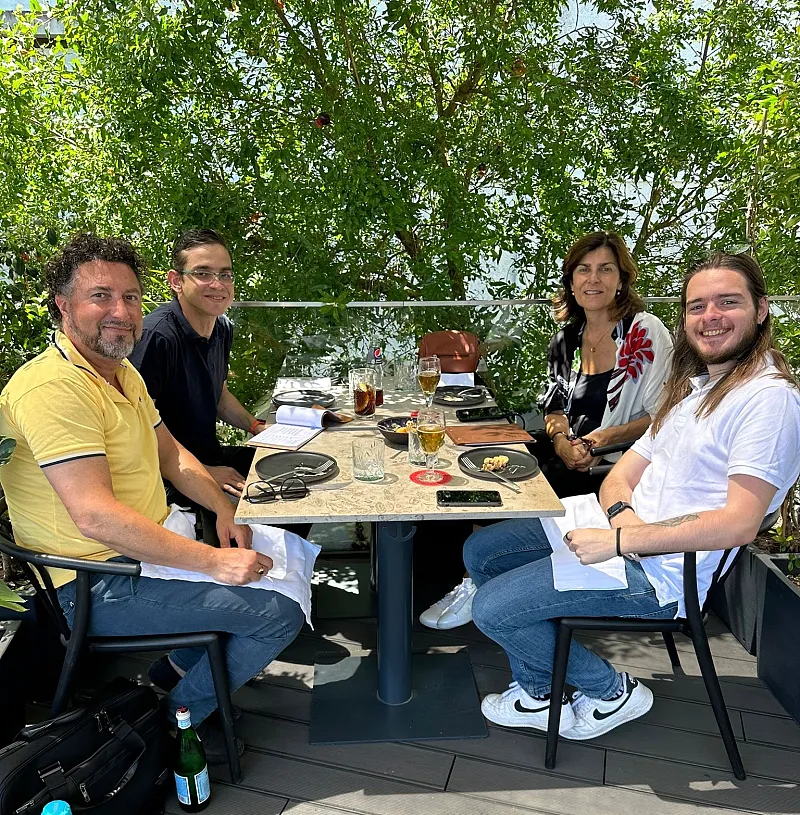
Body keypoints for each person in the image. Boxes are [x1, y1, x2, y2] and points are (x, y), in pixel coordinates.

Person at [462, 252, 800, 740]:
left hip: (662, 573)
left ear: (762, 309)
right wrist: (622, 519)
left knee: (491, 608)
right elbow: (618, 477)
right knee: (483, 551)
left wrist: (624, 541)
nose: (710, 317)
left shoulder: (769, 401)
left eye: (728, 302)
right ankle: (539, 691)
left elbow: (739, 523)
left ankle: (609, 691)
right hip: (624, 534)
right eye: (697, 305)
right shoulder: (699, 390)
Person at [0, 234, 305, 761]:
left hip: (146, 553)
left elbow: (174, 456)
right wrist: (214, 560)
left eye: (131, 297)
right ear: (63, 305)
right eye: (101, 296)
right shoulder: (52, 389)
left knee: (281, 555)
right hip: (95, 584)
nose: (121, 311)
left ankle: (172, 671)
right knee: (277, 613)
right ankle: (166, 726)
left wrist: (223, 509)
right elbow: (94, 515)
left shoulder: (121, 374)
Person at [420, 231, 673, 630]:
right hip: (567, 451)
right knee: (463, 469)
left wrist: (597, 441)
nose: (594, 279)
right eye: (583, 270)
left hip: (616, 467)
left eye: (605, 269)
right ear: (571, 282)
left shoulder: (645, 332)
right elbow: (553, 405)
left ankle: (482, 583)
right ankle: (477, 578)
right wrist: (559, 438)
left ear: (622, 279)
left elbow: (662, 417)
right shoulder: (565, 337)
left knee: (499, 491)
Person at [128, 228, 264, 499]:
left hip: (208, 457)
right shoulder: (156, 337)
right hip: (167, 477)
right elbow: (134, 428)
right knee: (271, 504)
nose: (218, 284)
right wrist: (203, 472)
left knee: (295, 475)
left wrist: (256, 427)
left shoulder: (222, 327)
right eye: (203, 273)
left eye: (225, 275)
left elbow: (219, 395)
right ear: (176, 281)